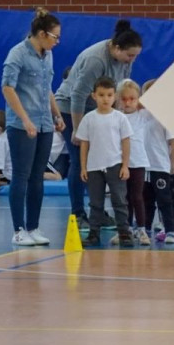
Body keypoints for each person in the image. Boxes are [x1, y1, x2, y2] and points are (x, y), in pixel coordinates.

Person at [54, 19, 142, 231]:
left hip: (98, 107)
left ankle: (97, 211)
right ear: (117, 48)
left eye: (135, 56)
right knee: (80, 160)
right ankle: (78, 213)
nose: (132, 60)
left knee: (101, 159)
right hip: (71, 108)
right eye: (130, 55)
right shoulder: (96, 59)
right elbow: (77, 95)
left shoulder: (125, 59)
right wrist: (77, 129)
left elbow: (120, 88)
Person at [1, 7, 66, 246]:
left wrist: (57, 115)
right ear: (41, 33)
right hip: (22, 126)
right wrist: (26, 119)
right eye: (54, 37)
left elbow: (47, 87)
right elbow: (7, 88)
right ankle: (18, 230)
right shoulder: (17, 54)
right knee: (21, 175)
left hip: (44, 124)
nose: (57, 42)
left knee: (37, 176)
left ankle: (33, 227)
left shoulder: (47, 55)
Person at [75, 77, 133, 247]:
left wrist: (125, 165)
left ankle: (124, 233)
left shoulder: (120, 118)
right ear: (94, 96)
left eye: (109, 95)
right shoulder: (88, 118)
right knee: (95, 202)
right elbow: (84, 144)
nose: (105, 99)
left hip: (115, 165)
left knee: (119, 200)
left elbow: (126, 142)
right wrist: (84, 167)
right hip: (94, 167)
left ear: (114, 96)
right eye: (101, 95)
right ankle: (94, 234)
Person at [138, 79, 174, 245]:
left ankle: (170, 230)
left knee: (164, 200)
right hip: (143, 166)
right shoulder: (140, 115)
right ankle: (146, 228)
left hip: (160, 166)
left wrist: (172, 165)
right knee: (146, 199)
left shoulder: (165, 117)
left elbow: (173, 142)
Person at [116, 80, 152, 246]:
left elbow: (155, 104)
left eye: (132, 99)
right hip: (120, 162)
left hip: (138, 162)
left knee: (137, 196)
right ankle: (125, 229)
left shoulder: (142, 115)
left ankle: (142, 229)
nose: (128, 102)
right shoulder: (116, 116)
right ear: (118, 99)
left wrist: (142, 100)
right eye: (124, 99)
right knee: (123, 198)